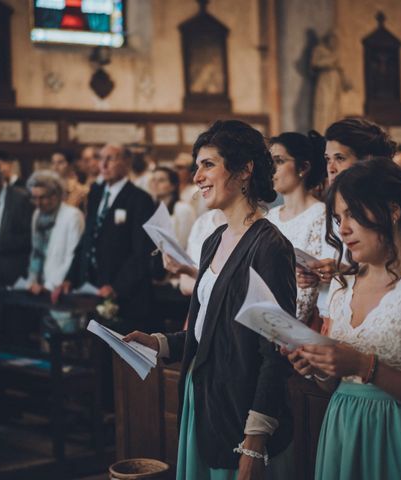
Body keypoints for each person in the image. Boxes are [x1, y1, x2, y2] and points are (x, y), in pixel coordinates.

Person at [124, 120, 296, 479]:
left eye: (208, 164)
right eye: (196, 166)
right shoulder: (214, 239)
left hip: (240, 407)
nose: (197, 176)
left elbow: (274, 352)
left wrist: (255, 439)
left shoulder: (269, 246)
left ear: (245, 168)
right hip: (202, 395)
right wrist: (158, 343)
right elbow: (210, 331)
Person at [287, 158, 401, 479]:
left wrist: (364, 366)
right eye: (338, 218)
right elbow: (336, 384)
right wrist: (317, 367)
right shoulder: (343, 286)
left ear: (393, 211)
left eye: (353, 213)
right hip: (342, 429)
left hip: (400, 437)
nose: (343, 229)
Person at [300, 117, 397, 318]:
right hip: (331, 311)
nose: (331, 168)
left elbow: (392, 272)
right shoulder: (332, 204)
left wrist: (340, 270)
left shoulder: (384, 209)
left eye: (340, 158)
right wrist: (319, 274)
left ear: (366, 160)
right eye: (327, 159)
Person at [58, 144, 156, 333]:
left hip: (124, 294)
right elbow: (87, 239)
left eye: (111, 158)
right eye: (100, 158)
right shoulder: (96, 193)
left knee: (119, 354)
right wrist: (70, 277)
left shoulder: (139, 199)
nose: (103, 164)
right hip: (93, 288)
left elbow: (142, 251)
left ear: (126, 163)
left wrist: (116, 287)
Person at [266, 131, 327, 325]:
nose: (271, 169)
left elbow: (309, 286)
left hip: (297, 324)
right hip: (265, 315)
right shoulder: (270, 217)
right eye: (270, 162)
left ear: (303, 167)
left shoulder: (320, 215)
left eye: (279, 161)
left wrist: (283, 326)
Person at [25, 171, 84, 299]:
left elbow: (72, 257)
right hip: (38, 289)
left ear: (56, 196)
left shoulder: (72, 216)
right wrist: (33, 280)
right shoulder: (37, 214)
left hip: (60, 288)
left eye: (42, 198)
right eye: (34, 198)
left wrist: (50, 285)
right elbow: (36, 251)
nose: (38, 203)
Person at [149, 166, 196, 249]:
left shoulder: (183, 209)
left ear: (172, 186)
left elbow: (183, 244)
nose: (155, 184)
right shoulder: (150, 208)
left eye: (161, 180)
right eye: (153, 180)